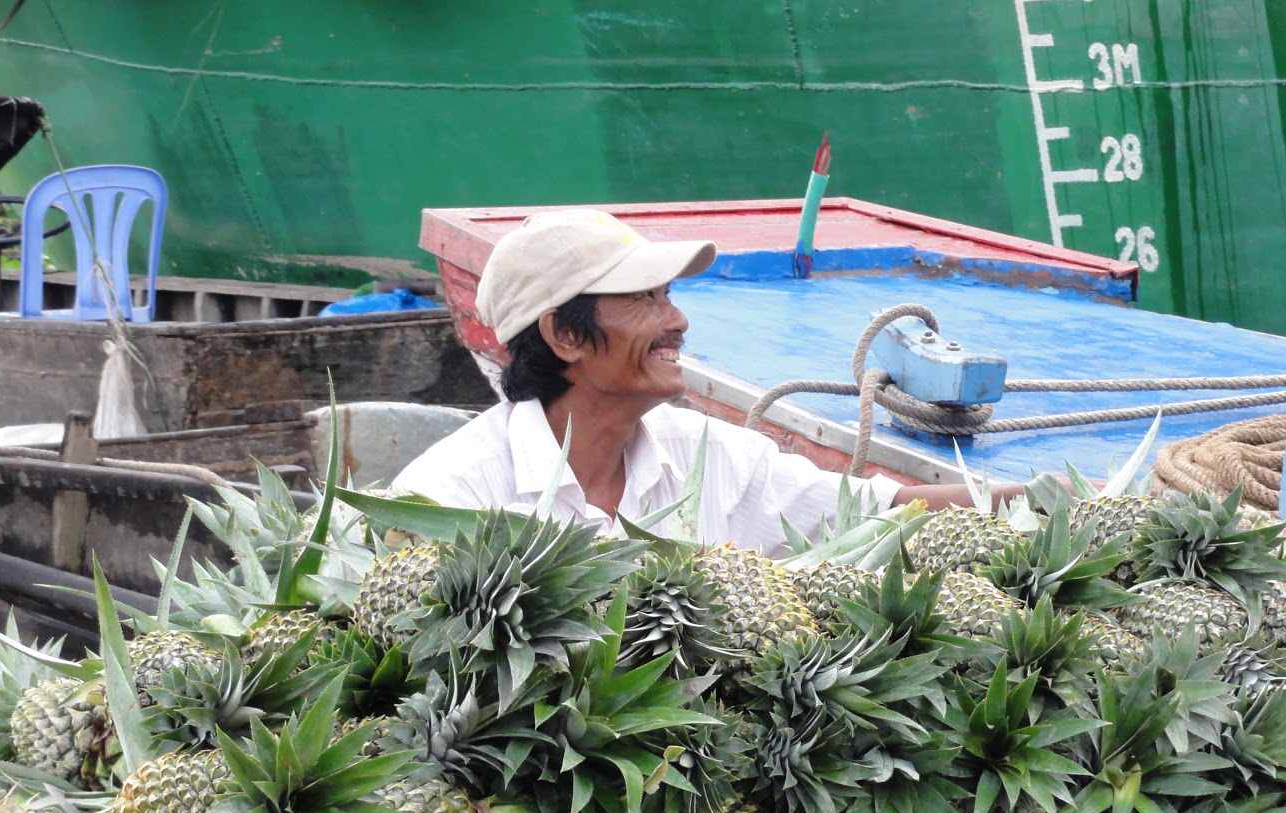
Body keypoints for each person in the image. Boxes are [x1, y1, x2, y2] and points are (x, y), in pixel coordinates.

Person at [393, 208, 1024, 555]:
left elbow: (872, 516)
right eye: (643, 299)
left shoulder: (705, 451)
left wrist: (1049, 498)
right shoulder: (446, 499)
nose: (678, 320)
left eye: (668, 295)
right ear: (564, 334)